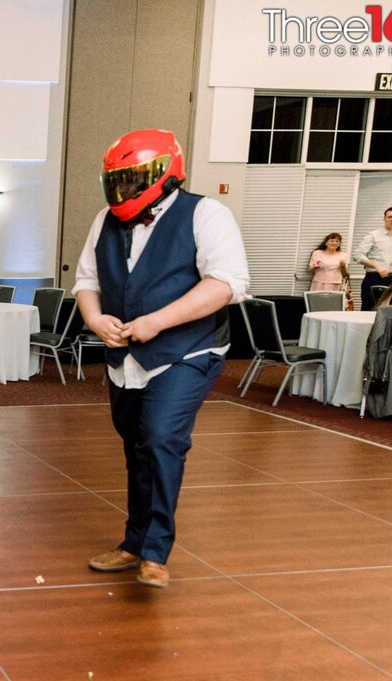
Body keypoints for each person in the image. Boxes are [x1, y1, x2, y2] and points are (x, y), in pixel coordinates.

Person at [74, 129, 250, 589]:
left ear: (163, 175)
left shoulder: (207, 214)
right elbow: (86, 282)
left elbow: (227, 284)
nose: (124, 191)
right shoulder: (104, 221)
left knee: (159, 438)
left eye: (133, 181)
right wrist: (96, 320)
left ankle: (155, 551)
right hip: (126, 356)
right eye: (117, 181)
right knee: (135, 444)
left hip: (187, 351)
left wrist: (158, 321)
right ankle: (133, 543)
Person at [357, 207, 392, 311]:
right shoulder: (373, 235)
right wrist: (376, 265)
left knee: (389, 311)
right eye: (389, 217)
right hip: (374, 278)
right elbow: (358, 255)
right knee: (369, 310)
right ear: (384, 218)